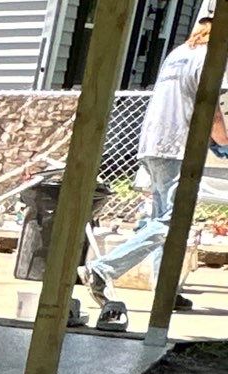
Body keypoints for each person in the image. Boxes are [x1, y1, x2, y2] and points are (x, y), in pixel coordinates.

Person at [82, 7, 228, 324]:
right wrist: (224, 141)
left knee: (163, 219)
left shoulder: (178, 53)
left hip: (152, 144)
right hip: (177, 147)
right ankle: (102, 269)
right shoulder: (210, 57)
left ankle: (166, 290)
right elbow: (211, 107)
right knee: (172, 223)